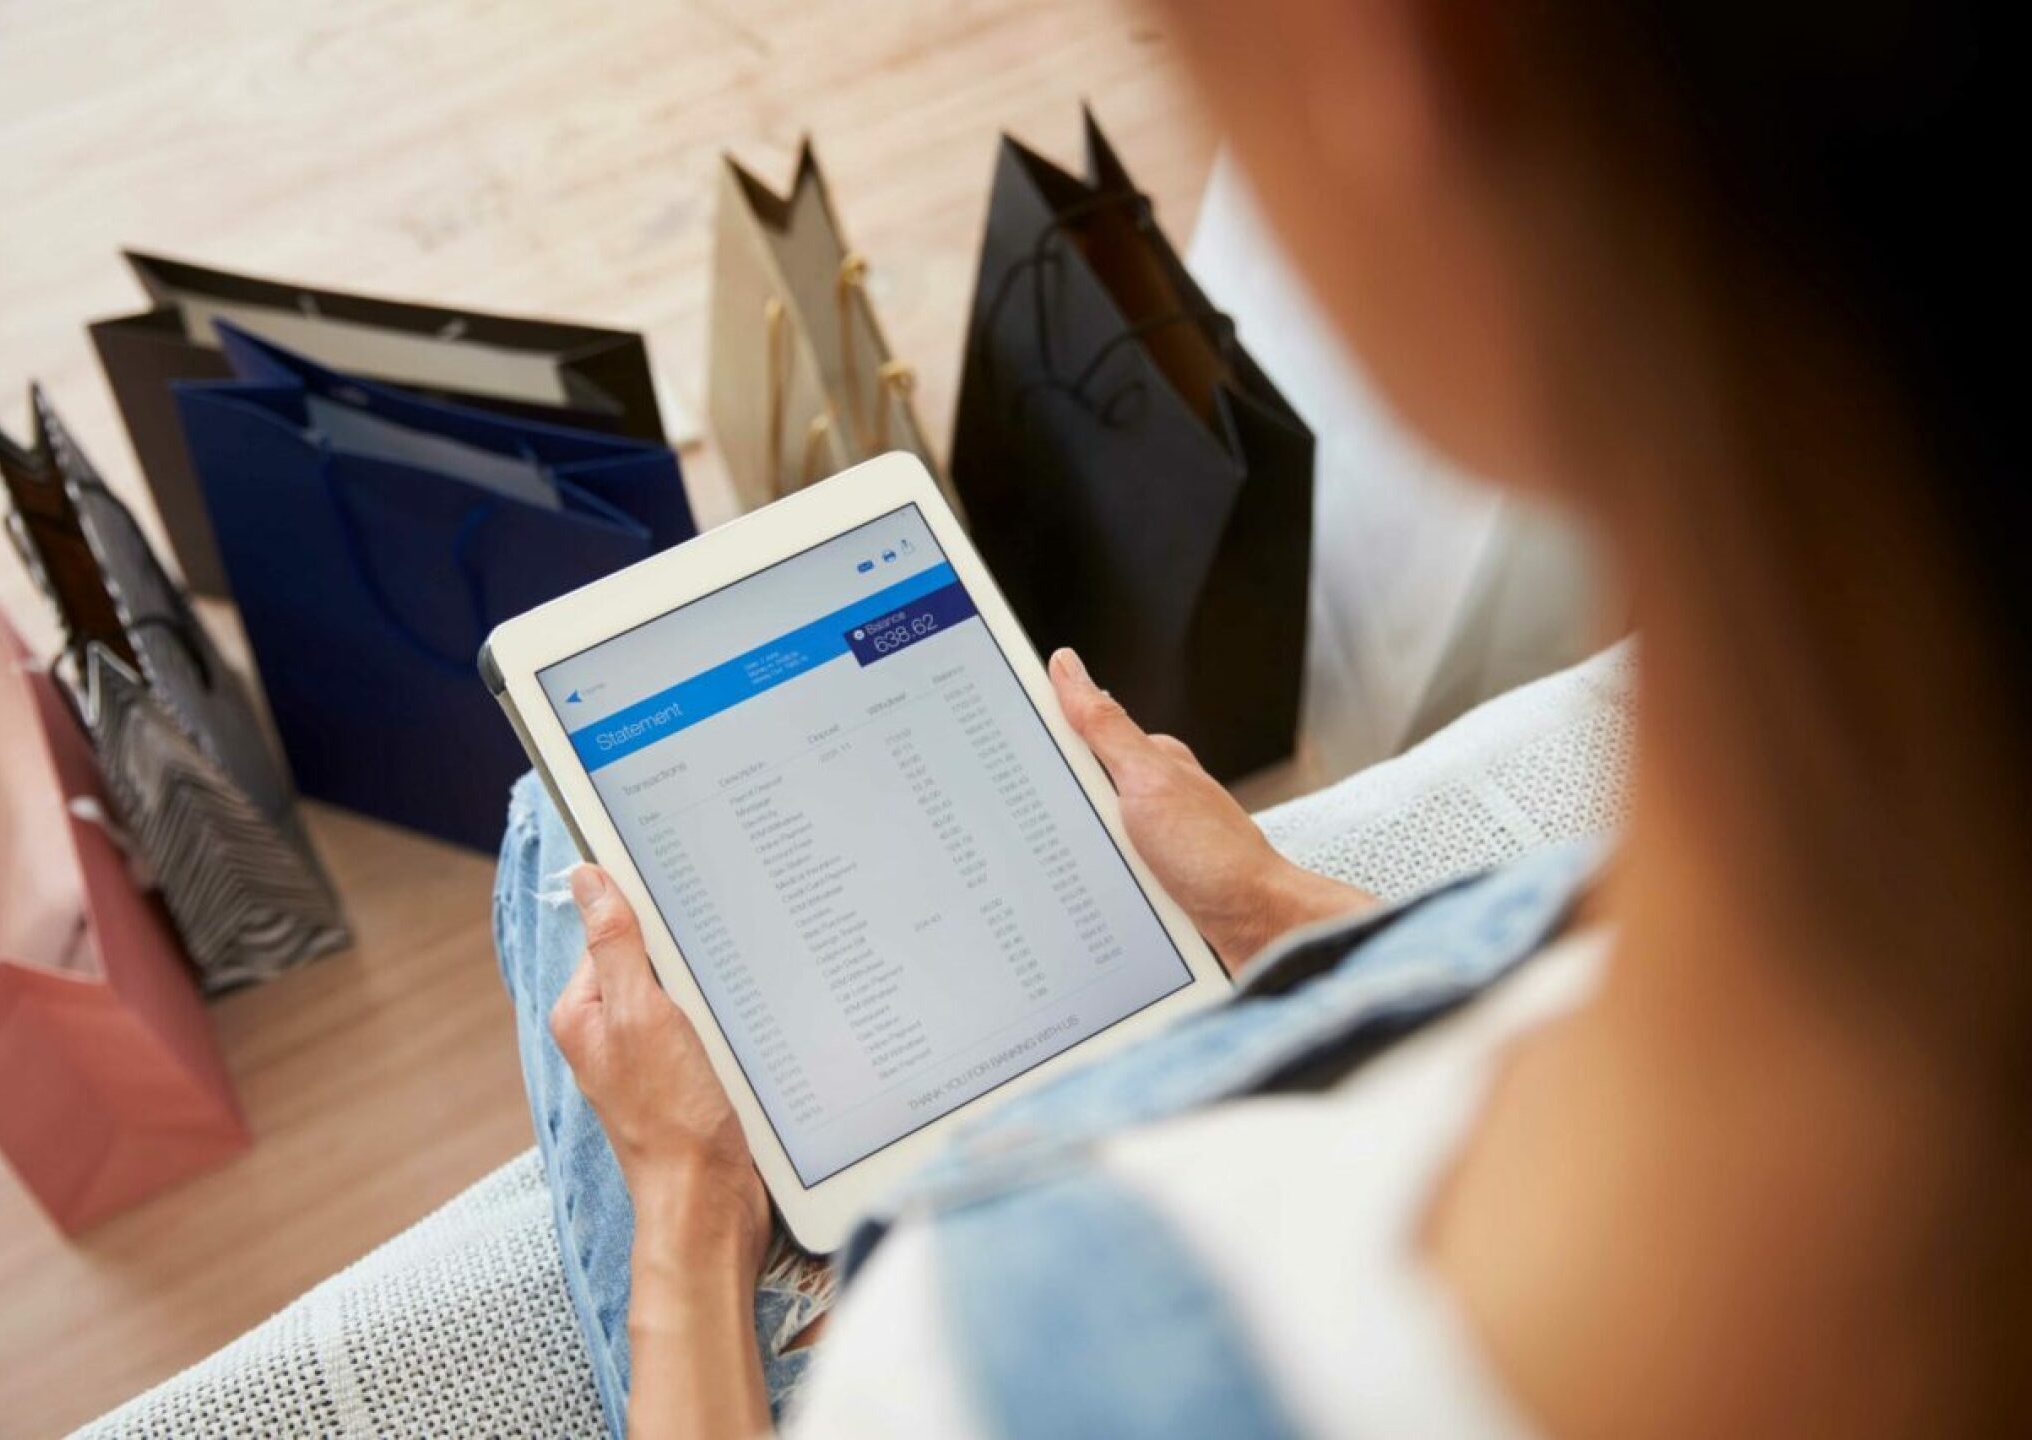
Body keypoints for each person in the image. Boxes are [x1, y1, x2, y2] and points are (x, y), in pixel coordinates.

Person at [494, 0, 2028, 1434]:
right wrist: (1274, 907)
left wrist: (691, 1202)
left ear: (1412, 73)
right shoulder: (1793, 927)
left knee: (555, 839)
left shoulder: (1003, 1345)